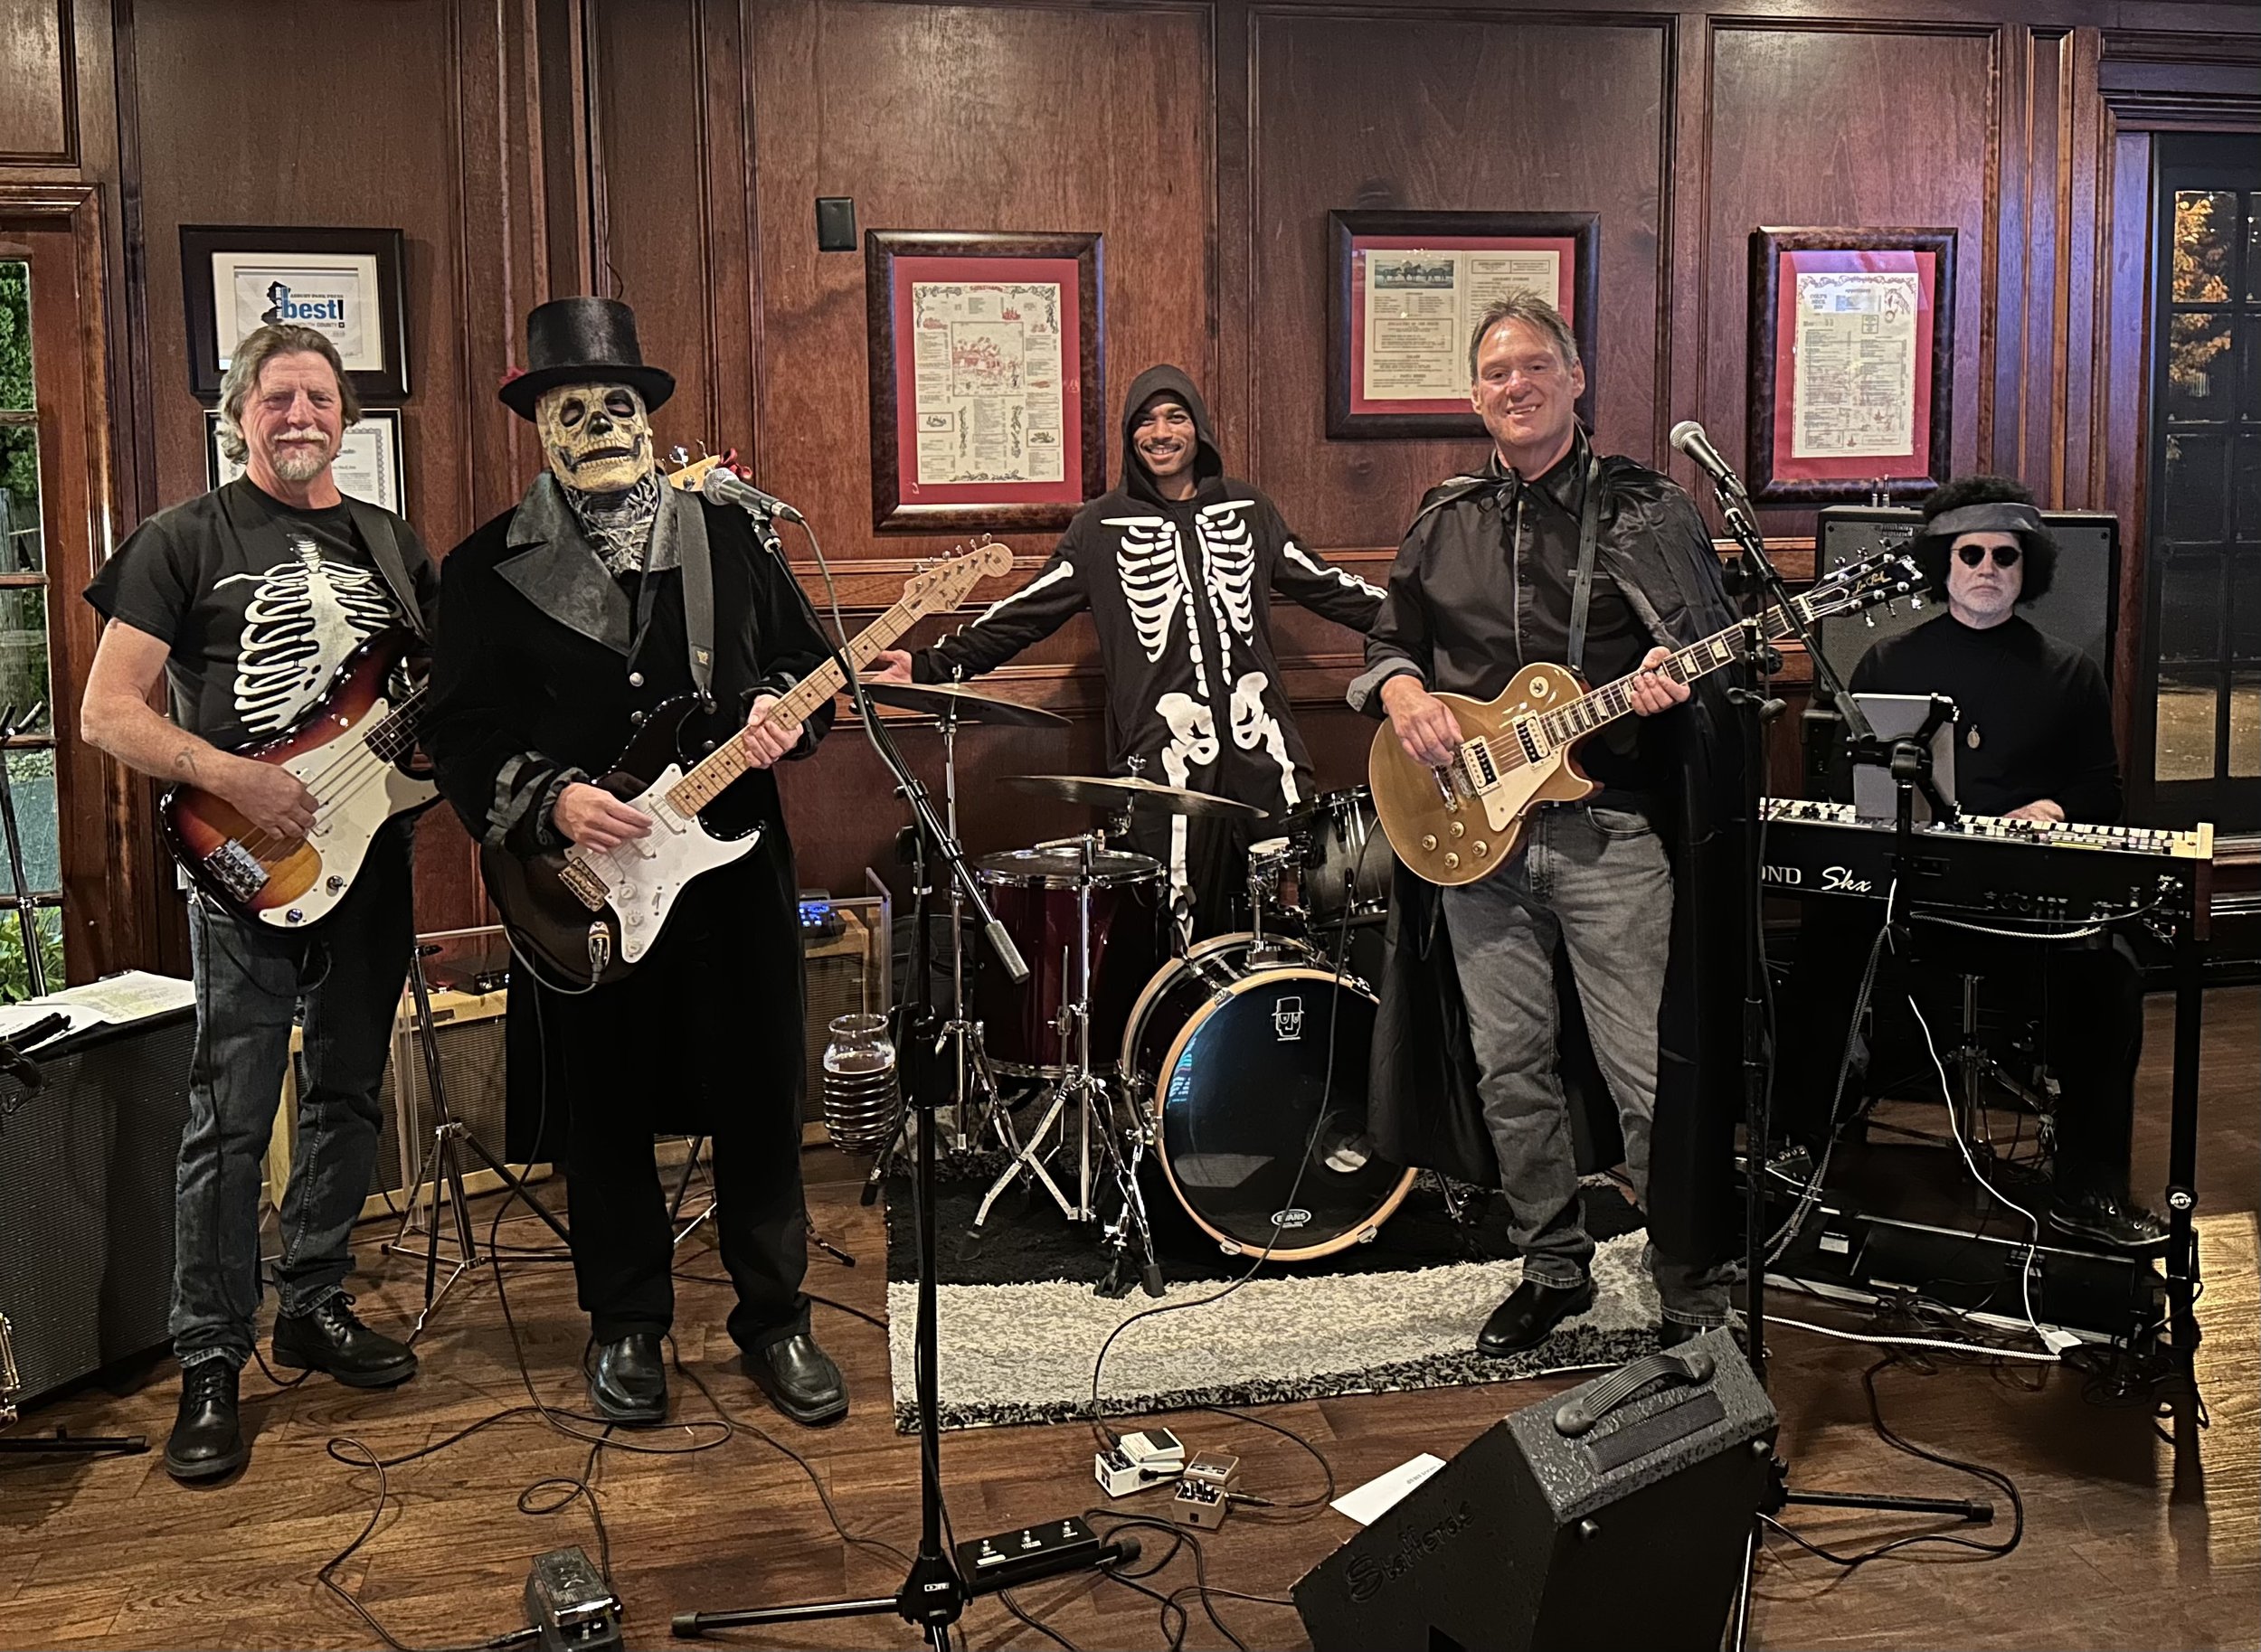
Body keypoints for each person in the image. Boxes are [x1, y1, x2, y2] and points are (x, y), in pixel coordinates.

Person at [423, 297, 849, 1427]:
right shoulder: (479, 571)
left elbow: (809, 668)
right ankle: (627, 1323)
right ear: (540, 427)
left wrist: (775, 710)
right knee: (602, 1105)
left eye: (620, 403)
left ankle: (776, 1319)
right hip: (586, 892)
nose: (601, 422)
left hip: (732, 867)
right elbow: (455, 734)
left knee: (761, 1094)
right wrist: (549, 799)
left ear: (651, 419)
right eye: (574, 407)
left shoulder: (731, 538)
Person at [1353, 295, 1748, 1354]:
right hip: (1474, 845)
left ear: (1576, 380)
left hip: (1607, 835)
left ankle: (1689, 1285)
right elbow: (1387, 645)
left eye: (1533, 366)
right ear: (1474, 396)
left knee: (1643, 1073)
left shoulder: (1645, 510)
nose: (1514, 385)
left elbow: (1713, 651)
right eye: (1494, 373)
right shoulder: (1441, 518)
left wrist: (1672, 684)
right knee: (1509, 1069)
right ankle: (1551, 1265)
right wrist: (1401, 696)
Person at [81, 323, 437, 1482]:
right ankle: (210, 1356)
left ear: (347, 418)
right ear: (236, 417)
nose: (301, 416)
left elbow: (431, 704)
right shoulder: (180, 540)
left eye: (321, 398)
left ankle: (314, 1301)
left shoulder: (390, 544)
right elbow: (108, 712)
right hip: (242, 866)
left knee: (346, 1093)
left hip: (367, 862)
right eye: (277, 397)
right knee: (229, 1117)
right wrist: (236, 779)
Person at [871, 365, 1382, 939]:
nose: (1161, 433)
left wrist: (1422, 620)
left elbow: (1326, 585)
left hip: (1265, 752)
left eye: (1176, 417)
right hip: (1163, 762)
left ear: (1200, 429)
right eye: (1145, 421)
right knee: (1178, 935)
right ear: (1128, 435)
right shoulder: (1099, 527)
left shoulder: (1250, 511)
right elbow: (1026, 612)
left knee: (1289, 925)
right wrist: (930, 664)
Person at [1824, 475, 2164, 1250]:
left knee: (2113, 972)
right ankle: (1804, 1150)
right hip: (1914, 903)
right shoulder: (1887, 661)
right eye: (1969, 553)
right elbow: (1852, 787)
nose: (1986, 568)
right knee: (1826, 934)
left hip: (2028, 907)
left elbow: (2099, 791)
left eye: (2005, 556)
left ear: (2026, 568)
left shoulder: (2070, 672)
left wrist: (2055, 811)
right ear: (1943, 562)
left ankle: (2090, 1187)